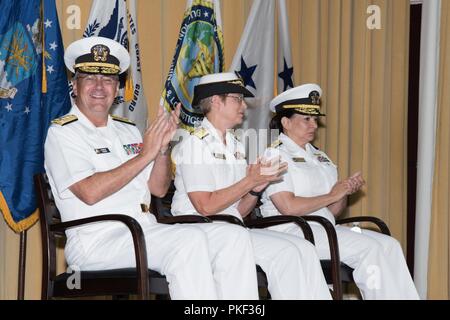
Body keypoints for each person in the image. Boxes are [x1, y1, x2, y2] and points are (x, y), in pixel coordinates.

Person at [44, 36, 260, 300]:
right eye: (90, 78)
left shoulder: (128, 129)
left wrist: (161, 150)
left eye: (109, 79)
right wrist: (145, 154)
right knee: (187, 243)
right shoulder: (63, 133)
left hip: (145, 230)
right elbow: (89, 192)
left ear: (117, 89)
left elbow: (157, 189)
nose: (100, 86)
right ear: (74, 86)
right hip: (97, 241)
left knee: (232, 237)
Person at [171, 72, 332, 299]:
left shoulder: (235, 145)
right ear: (216, 101)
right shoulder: (194, 145)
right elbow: (205, 207)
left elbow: (239, 211)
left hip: (230, 227)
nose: (244, 106)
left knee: (300, 248)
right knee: (239, 242)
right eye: (237, 99)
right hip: (199, 230)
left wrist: (257, 187)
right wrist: (250, 181)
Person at [259, 83, 420, 299]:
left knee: (389, 245)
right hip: (292, 231)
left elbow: (333, 210)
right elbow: (288, 206)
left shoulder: (320, 157)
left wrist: (344, 191)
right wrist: (332, 194)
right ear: (286, 122)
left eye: (315, 119)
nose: (313, 125)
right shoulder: (274, 155)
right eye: (306, 119)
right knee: (369, 250)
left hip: (323, 227)